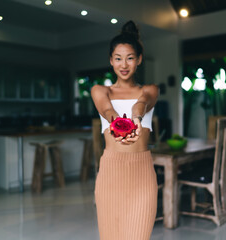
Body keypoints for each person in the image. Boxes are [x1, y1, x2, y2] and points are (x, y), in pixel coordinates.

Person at [91, 20, 159, 240]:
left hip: (142, 174)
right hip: (111, 171)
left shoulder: (150, 89)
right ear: (111, 61)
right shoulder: (100, 90)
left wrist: (136, 116)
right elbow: (106, 108)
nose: (124, 64)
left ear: (138, 60)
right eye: (118, 58)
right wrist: (117, 123)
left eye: (130, 58)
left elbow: (143, 102)